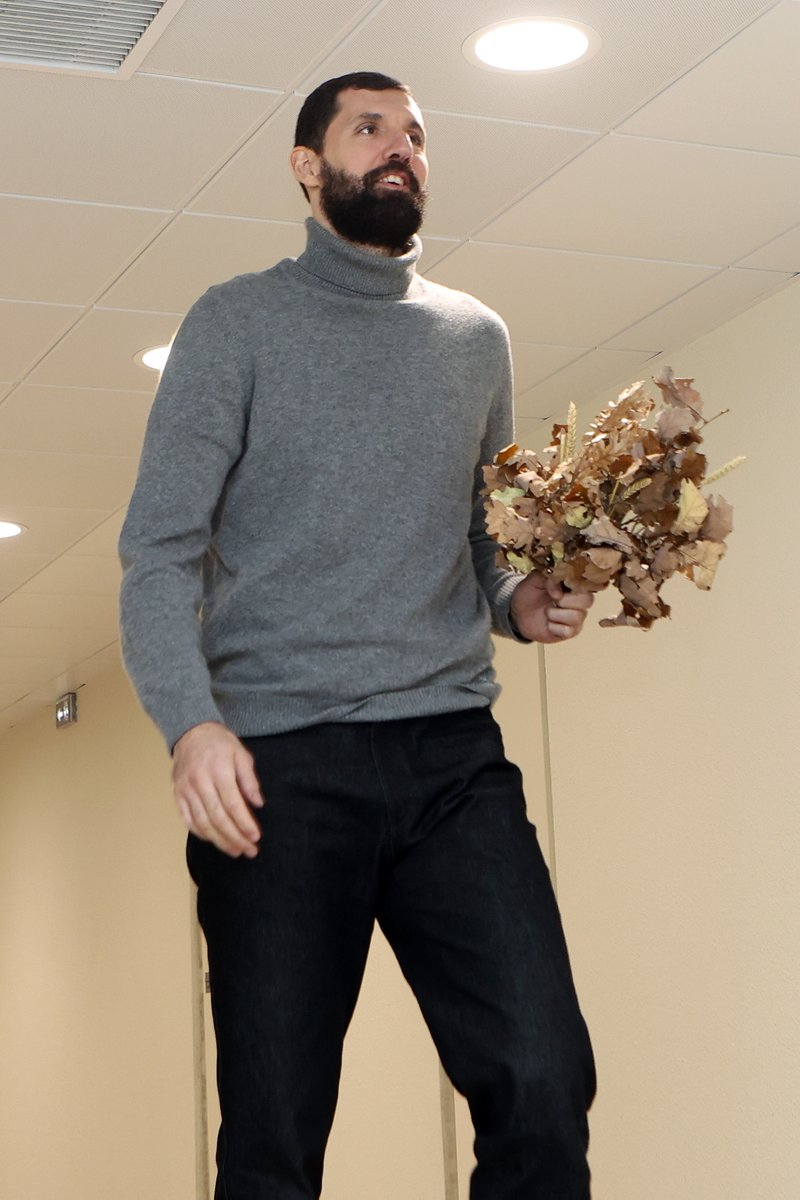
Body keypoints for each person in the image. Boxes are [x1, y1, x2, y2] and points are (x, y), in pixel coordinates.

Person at [119, 71, 596, 1200]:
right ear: (306, 165)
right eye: (369, 129)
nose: (400, 150)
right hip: (279, 772)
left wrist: (522, 605)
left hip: (451, 763)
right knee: (275, 1133)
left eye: (416, 135)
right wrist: (192, 724)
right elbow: (157, 557)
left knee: (541, 1078)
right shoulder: (235, 322)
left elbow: (484, 554)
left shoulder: (476, 339)